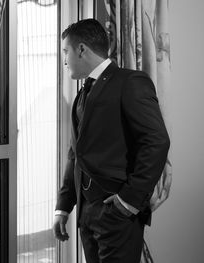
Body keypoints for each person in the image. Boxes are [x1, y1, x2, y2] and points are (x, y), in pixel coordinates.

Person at [52, 19, 170, 263]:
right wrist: (63, 206)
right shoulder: (82, 94)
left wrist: (128, 201)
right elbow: (76, 153)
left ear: (82, 49)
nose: (64, 60)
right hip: (87, 215)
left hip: (117, 213)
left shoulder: (131, 82)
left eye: (66, 52)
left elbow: (156, 142)